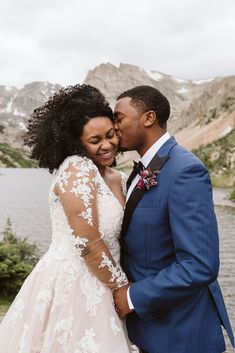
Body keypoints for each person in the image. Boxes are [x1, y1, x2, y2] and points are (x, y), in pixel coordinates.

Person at [0, 84, 138, 353]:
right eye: (95, 141)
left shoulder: (117, 177)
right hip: (74, 285)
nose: (107, 145)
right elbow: (86, 241)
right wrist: (122, 288)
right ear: (77, 143)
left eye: (110, 135)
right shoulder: (77, 168)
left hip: (104, 284)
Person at [113, 85, 234, 353]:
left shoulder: (185, 170)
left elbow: (200, 264)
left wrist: (133, 297)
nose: (114, 126)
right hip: (150, 329)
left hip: (181, 334)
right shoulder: (141, 170)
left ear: (148, 118)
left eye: (119, 117)